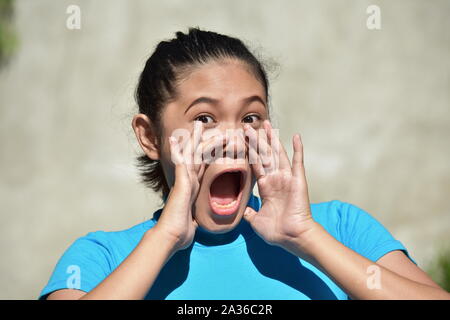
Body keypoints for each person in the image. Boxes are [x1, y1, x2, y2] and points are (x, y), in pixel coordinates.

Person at [39, 27, 449, 300]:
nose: (234, 138)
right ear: (150, 136)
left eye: (251, 117)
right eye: (205, 119)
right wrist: (164, 238)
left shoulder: (341, 229)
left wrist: (306, 238)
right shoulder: (101, 257)